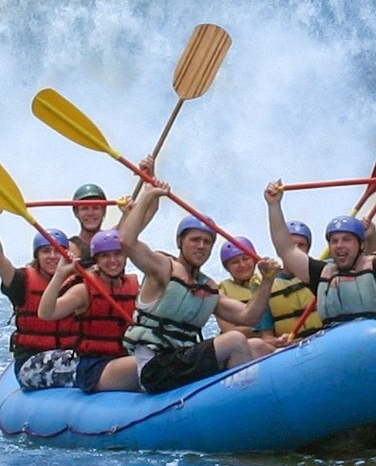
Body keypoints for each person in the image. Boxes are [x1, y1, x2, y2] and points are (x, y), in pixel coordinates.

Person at [118, 169, 279, 394]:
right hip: (155, 368)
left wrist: (267, 281)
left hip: (182, 360)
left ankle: (246, 403)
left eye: (207, 242)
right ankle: (242, 403)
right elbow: (126, 241)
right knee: (233, 340)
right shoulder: (163, 268)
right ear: (180, 242)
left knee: (259, 346)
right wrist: (149, 195)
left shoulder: (208, 287)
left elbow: (249, 317)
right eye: (195, 240)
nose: (201, 246)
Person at [265, 172, 376, 328]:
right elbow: (286, 249)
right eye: (334, 241)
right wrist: (274, 205)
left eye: (347, 239)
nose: (339, 245)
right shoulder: (321, 273)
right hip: (336, 343)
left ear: (361, 244)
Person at [0, 207, 81, 389]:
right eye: (45, 251)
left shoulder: (79, 283)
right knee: (82, 367)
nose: (52, 256)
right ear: (37, 255)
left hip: (70, 354)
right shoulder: (22, 282)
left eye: (57, 251)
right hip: (31, 363)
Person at [35, 229, 141, 391]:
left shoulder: (135, 288)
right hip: (94, 368)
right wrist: (59, 274)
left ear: (126, 256)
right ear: (96, 259)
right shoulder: (83, 291)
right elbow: (46, 313)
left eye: (117, 254)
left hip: (123, 358)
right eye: (105, 256)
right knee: (145, 361)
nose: (112, 260)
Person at [262, 220, 322, 340]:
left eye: (301, 245)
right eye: (291, 245)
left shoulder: (323, 273)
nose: (296, 250)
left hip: (325, 339)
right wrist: (278, 342)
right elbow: (266, 336)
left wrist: (371, 236)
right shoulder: (266, 285)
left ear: (308, 248)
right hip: (292, 349)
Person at [214, 236, 274, 338]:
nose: (242, 265)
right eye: (235, 262)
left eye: (246, 259)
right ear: (227, 267)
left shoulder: (271, 281)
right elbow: (229, 330)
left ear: (254, 260)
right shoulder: (221, 292)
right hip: (245, 345)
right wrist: (263, 328)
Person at [67, 183, 111, 261]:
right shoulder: (70, 246)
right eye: (84, 208)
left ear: (104, 211)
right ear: (76, 212)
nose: (90, 213)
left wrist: (126, 213)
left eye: (95, 208)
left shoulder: (114, 238)